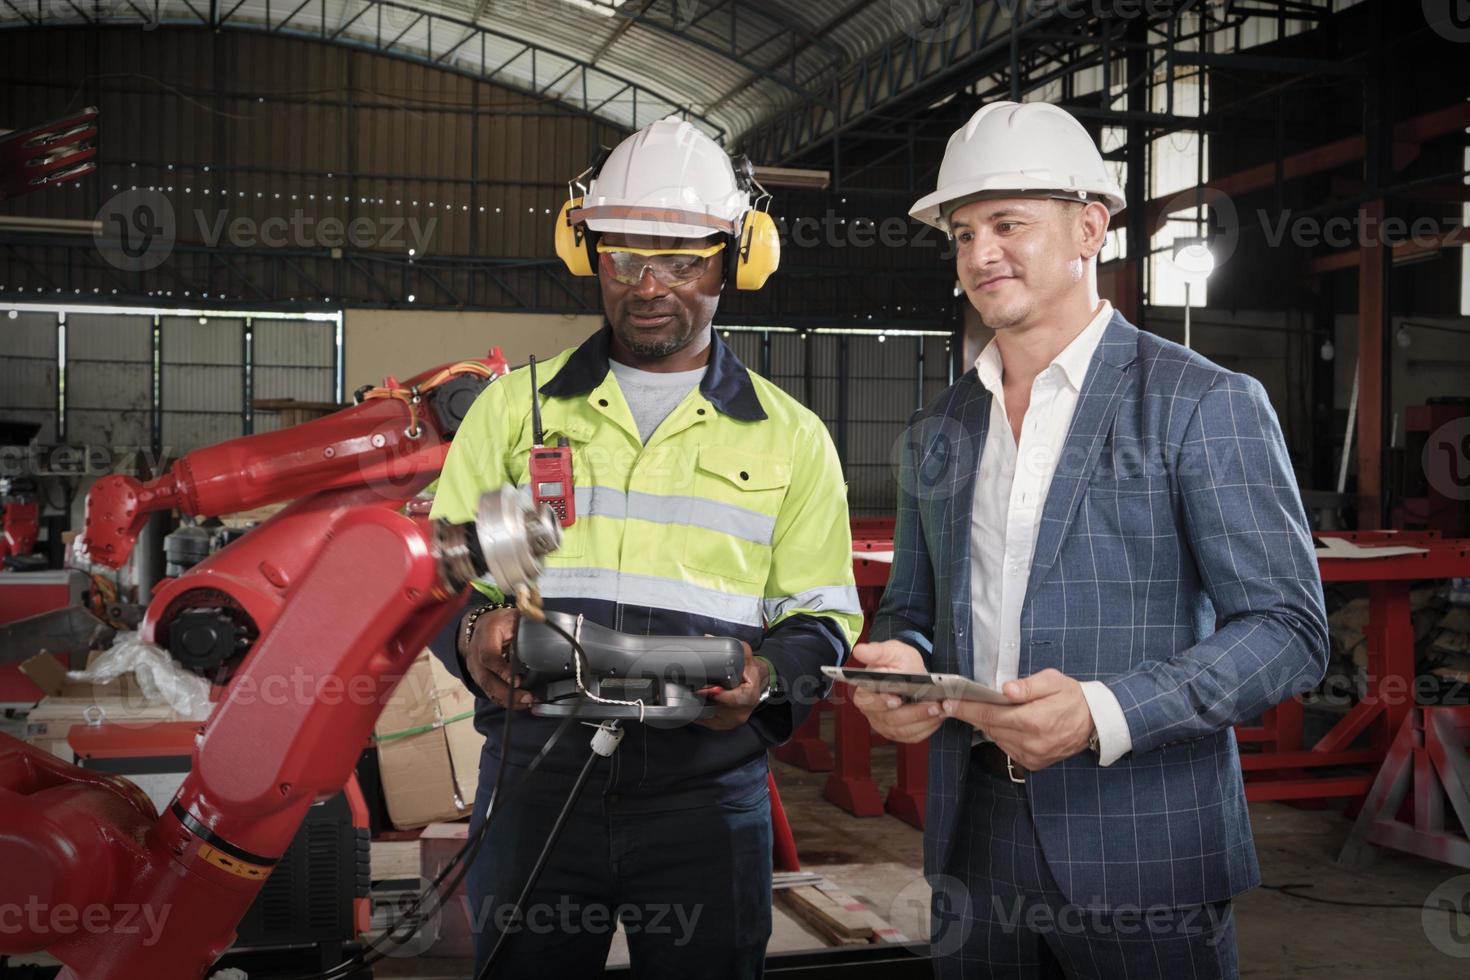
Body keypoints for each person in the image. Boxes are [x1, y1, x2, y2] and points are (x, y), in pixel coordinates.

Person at [851, 100, 1328, 978]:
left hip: (1141, 843)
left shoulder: (1200, 403)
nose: (980, 254)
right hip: (973, 841)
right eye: (961, 233)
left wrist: (1103, 712)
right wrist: (903, 670)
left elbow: (1289, 633)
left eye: (1007, 224)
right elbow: (915, 609)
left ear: (1089, 228)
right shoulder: (938, 431)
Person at [427, 116, 862, 979]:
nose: (649, 286)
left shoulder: (792, 438)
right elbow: (441, 576)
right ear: (588, 252)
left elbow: (823, 616)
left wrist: (768, 677)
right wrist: (475, 635)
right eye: (624, 256)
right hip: (535, 783)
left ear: (738, 256)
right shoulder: (516, 413)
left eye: (683, 259)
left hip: (705, 800)